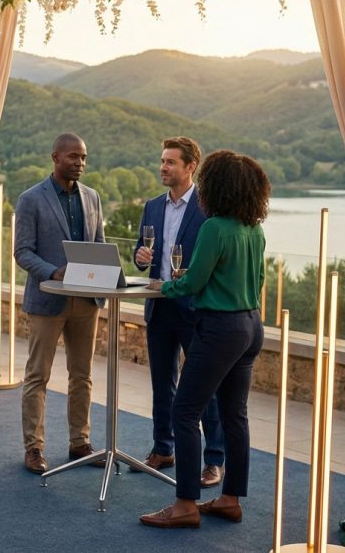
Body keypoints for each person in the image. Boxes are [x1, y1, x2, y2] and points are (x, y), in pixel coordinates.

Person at [140, 150, 268, 529]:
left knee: (184, 411)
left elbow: (194, 282)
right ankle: (230, 499)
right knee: (235, 415)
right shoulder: (254, 229)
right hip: (250, 326)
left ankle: (184, 505)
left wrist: (168, 285)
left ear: (216, 186)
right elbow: (258, 282)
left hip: (220, 329)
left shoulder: (215, 227)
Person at [132, 137, 226, 488]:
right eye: (161, 161)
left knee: (206, 389)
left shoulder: (208, 208)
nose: (163, 167)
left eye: (171, 162)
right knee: (162, 383)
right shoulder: (152, 206)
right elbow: (143, 252)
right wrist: (140, 257)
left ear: (190, 167)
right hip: (160, 306)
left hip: (195, 309)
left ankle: (214, 459)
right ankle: (163, 448)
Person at [14, 133, 105, 474]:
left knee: (82, 376)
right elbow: (22, 251)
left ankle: (80, 442)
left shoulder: (93, 198)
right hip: (48, 299)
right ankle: (34, 448)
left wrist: (107, 277)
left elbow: (99, 247)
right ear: (55, 157)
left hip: (87, 302)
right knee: (38, 375)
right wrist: (54, 273)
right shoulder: (30, 199)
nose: (80, 163)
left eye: (83, 157)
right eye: (73, 157)